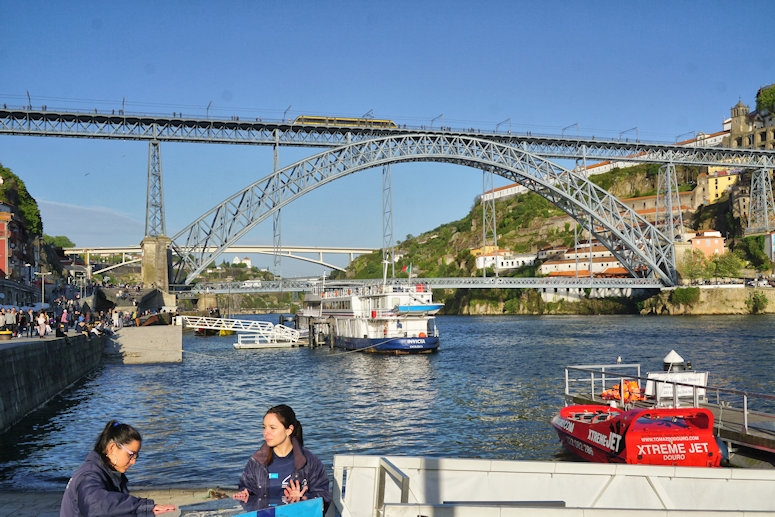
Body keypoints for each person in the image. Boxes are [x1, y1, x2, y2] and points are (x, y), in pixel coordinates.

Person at [59, 420, 177, 516]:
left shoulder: (108, 472)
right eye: (131, 455)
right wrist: (142, 506)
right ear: (112, 448)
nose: (134, 461)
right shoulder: (89, 475)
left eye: (136, 455)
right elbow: (95, 505)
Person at [233, 405, 330, 513]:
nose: (265, 433)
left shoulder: (309, 462)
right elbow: (245, 487)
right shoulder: (256, 461)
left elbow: (324, 498)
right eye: (264, 427)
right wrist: (243, 493)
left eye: (272, 428)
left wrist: (304, 498)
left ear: (289, 430)